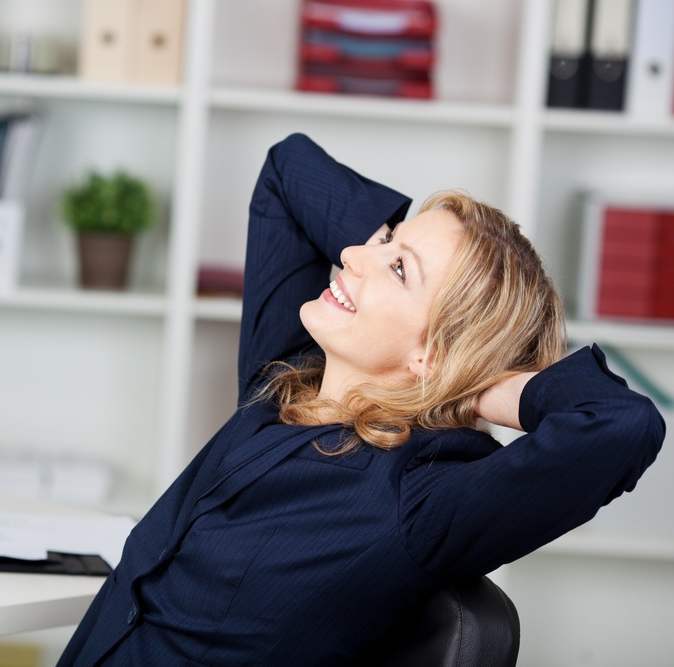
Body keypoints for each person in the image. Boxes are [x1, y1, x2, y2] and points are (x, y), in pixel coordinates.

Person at [57, 134, 666, 666]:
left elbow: (622, 425)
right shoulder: (284, 382)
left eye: (399, 269)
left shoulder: (421, 498)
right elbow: (287, 170)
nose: (351, 255)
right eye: (383, 241)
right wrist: (397, 249)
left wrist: (480, 384)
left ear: (434, 353)